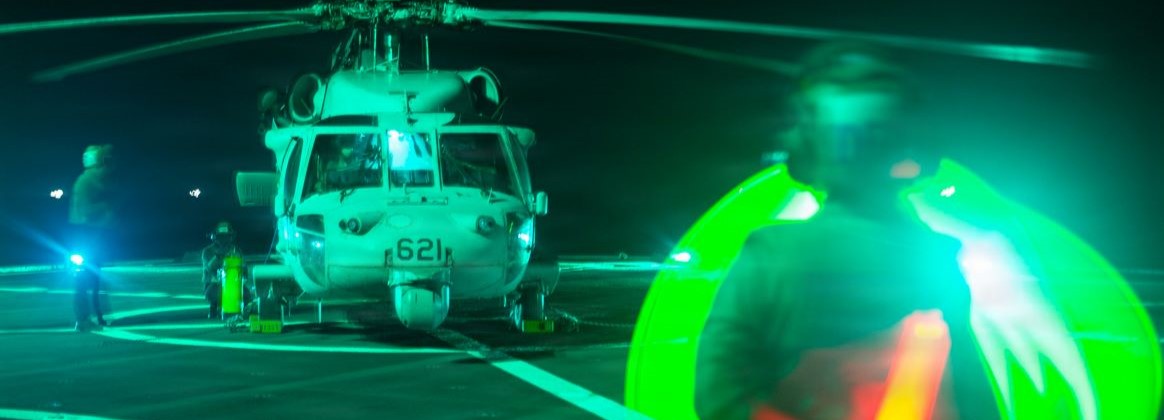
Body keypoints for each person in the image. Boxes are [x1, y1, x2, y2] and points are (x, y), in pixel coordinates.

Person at [694, 42, 998, 420]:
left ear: (807, 143)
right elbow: (973, 397)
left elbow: (718, 396)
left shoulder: (772, 255)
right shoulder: (936, 257)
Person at [68, 144, 121, 332]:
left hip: (90, 237)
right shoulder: (87, 182)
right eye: (106, 160)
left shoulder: (96, 181)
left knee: (93, 279)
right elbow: (84, 211)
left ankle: (96, 316)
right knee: (84, 279)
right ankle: (83, 319)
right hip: (86, 236)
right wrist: (105, 209)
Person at [201, 221, 253, 320]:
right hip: (214, 284)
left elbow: (244, 270)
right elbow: (209, 268)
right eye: (221, 237)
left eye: (226, 236)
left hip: (234, 283)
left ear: (231, 237)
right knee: (216, 294)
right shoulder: (207, 251)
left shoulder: (236, 250)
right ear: (215, 237)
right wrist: (218, 256)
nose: (224, 240)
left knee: (247, 295)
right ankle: (215, 305)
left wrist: (240, 267)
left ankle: (239, 310)